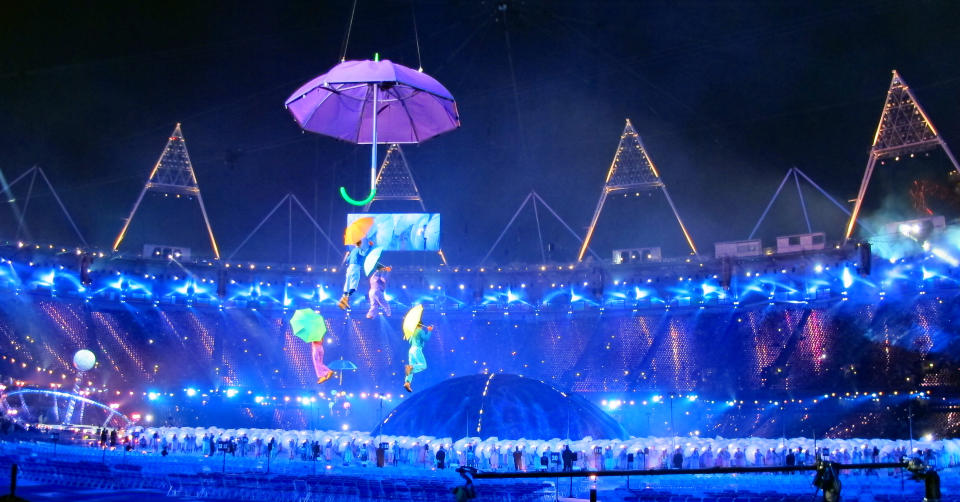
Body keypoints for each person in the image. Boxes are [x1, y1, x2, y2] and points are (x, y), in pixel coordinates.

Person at [338, 240, 371, 309]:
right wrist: (370, 247)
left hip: (349, 268)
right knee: (353, 286)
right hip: (355, 268)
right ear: (360, 245)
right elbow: (364, 254)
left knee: (347, 285)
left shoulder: (352, 251)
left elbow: (347, 260)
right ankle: (345, 300)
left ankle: (343, 301)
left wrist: (347, 255)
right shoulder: (358, 249)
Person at [404, 323, 434, 393]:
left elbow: (410, 341)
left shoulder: (412, 332)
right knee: (423, 365)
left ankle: (407, 382)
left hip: (411, 350)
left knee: (411, 370)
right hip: (417, 349)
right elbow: (426, 339)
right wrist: (429, 331)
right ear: (420, 325)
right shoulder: (420, 330)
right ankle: (411, 367)